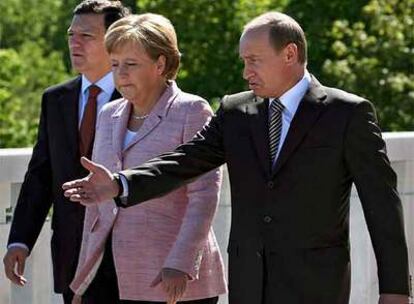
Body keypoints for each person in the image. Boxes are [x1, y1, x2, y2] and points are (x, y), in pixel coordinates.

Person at [63, 11, 410, 304]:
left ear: (289, 54)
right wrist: (121, 183)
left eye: (254, 61)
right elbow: (186, 160)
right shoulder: (235, 110)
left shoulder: (347, 114)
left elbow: (382, 205)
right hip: (248, 284)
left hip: (315, 284)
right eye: (244, 61)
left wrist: (395, 290)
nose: (246, 72)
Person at [69, 14, 226, 304]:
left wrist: (180, 262)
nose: (120, 74)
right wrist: (82, 280)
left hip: (170, 277)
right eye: (115, 65)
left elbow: (203, 197)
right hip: (108, 272)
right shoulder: (108, 114)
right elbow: (97, 205)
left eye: (131, 64)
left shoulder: (192, 111)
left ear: (161, 64)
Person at [3, 1, 129, 303]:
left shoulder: (138, 95)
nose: (75, 42)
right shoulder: (55, 99)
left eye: (86, 36)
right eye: (71, 34)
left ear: (115, 40)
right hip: (70, 255)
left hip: (125, 257)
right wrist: (19, 240)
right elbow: (40, 176)